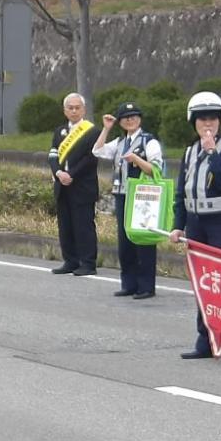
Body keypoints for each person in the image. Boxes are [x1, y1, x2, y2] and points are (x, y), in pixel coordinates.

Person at [169, 91, 221, 365]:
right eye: (202, 119)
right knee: (203, 283)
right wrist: (178, 225)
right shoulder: (189, 151)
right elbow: (181, 191)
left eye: (213, 118)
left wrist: (213, 151)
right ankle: (205, 340)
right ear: (192, 121)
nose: (208, 124)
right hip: (196, 223)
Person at [95, 100, 163, 299]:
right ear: (121, 122)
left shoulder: (149, 141)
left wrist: (137, 160)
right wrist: (106, 129)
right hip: (122, 194)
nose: (130, 120)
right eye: (125, 118)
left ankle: (146, 286)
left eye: (134, 117)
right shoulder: (119, 142)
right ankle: (129, 283)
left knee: (143, 240)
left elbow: (155, 169)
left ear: (140, 119)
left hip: (143, 197)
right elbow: (97, 151)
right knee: (125, 241)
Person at [47, 92, 100, 276]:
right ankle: (70, 260)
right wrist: (58, 172)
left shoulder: (92, 131)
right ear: (64, 110)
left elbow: (91, 158)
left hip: (82, 185)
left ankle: (87, 263)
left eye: (77, 107)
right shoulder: (59, 131)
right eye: (70, 108)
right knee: (65, 225)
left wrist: (71, 174)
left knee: (83, 225)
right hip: (62, 185)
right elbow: (53, 154)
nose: (74, 111)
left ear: (83, 110)